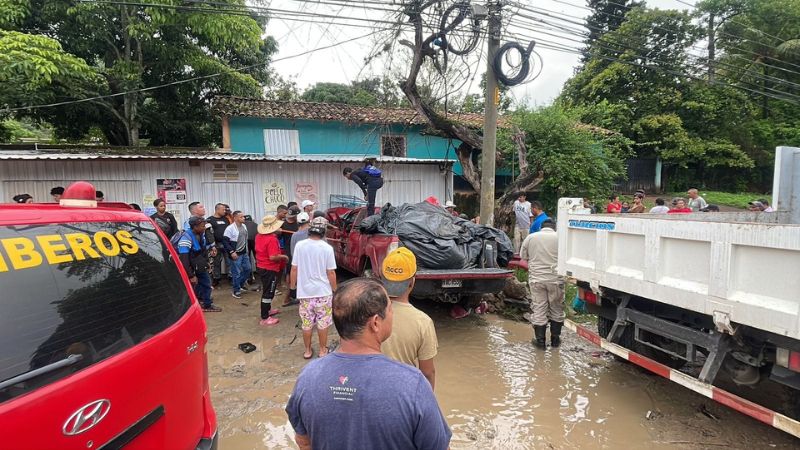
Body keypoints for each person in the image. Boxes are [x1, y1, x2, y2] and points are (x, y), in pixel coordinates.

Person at [285, 278, 452, 450]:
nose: (392, 314)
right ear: (375, 323)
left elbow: (304, 442)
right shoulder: (412, 384)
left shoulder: (308, 377)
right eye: (390, 309)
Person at [380, 248, 438, 389]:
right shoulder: (423, 322)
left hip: (373, 391)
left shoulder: (365, 312)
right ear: (412, 282)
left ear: (382, 279)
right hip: (405, 393)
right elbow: (428, 372)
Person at [290, 217, 338, 359]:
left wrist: (293, 287)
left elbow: (294, 269)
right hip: (323, 292)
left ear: (309, 233)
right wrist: (335, 289)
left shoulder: (300, 246)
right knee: (323, 323)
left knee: (307, 323)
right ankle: (323, 350)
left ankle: (307, 350)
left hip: (305, 293)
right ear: (323, 234)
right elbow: (331, 272)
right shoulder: (327, 248)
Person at [520, 218, 563, 349]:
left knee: (539, 308)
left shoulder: (531, 237)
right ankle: (555, 341)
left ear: (541, 227)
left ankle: (540, 343)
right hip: (556, 279)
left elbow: (523, 256)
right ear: (554, 227)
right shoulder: (561, 238)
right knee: (556, 308)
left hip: (537, 279)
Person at [178, 216, 221, 312]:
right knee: (197, 285)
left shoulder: (201, 235)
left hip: (198, 264)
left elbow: (203, 251)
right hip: (189, 267)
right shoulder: (185, 239)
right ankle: (205, 305)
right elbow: (184, 260)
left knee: (205, 283)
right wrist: (191, 275)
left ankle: (204, 302)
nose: (204, 228)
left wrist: (206, 264)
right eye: (202, 226)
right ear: (194, 227)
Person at [255, 215, 289, 326]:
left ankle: (268, 310)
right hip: (269, 268)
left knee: (268, 289)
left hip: (261, 266)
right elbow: (273, 257)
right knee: (268, 293)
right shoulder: (272, 239)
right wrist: (284, 257)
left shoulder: (259, 236)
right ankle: (265, 317)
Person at [223, 211, 252, 299]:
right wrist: (232, 252)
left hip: (244, 253)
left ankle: (241, 285)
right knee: (237, 273)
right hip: (236, 254)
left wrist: (246, 251)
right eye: (241, 217)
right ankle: (236, 290)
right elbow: (225, 241)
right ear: (235, 218)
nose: (243, 218)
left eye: (243, 217)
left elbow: (245, 239)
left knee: (248, 269)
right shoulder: (230, 228)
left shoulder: (244, 226)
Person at [209, 203, 230, 287]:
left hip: (226, 243)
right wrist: (212, 245)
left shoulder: (226, 219)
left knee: (229, 261)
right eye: (223, 210)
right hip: (216, 244)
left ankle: (231, 278)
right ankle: (216, 279)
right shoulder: (210, 220)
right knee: (216, 262)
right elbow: (209, 234)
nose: (225, 211)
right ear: (217, 210)